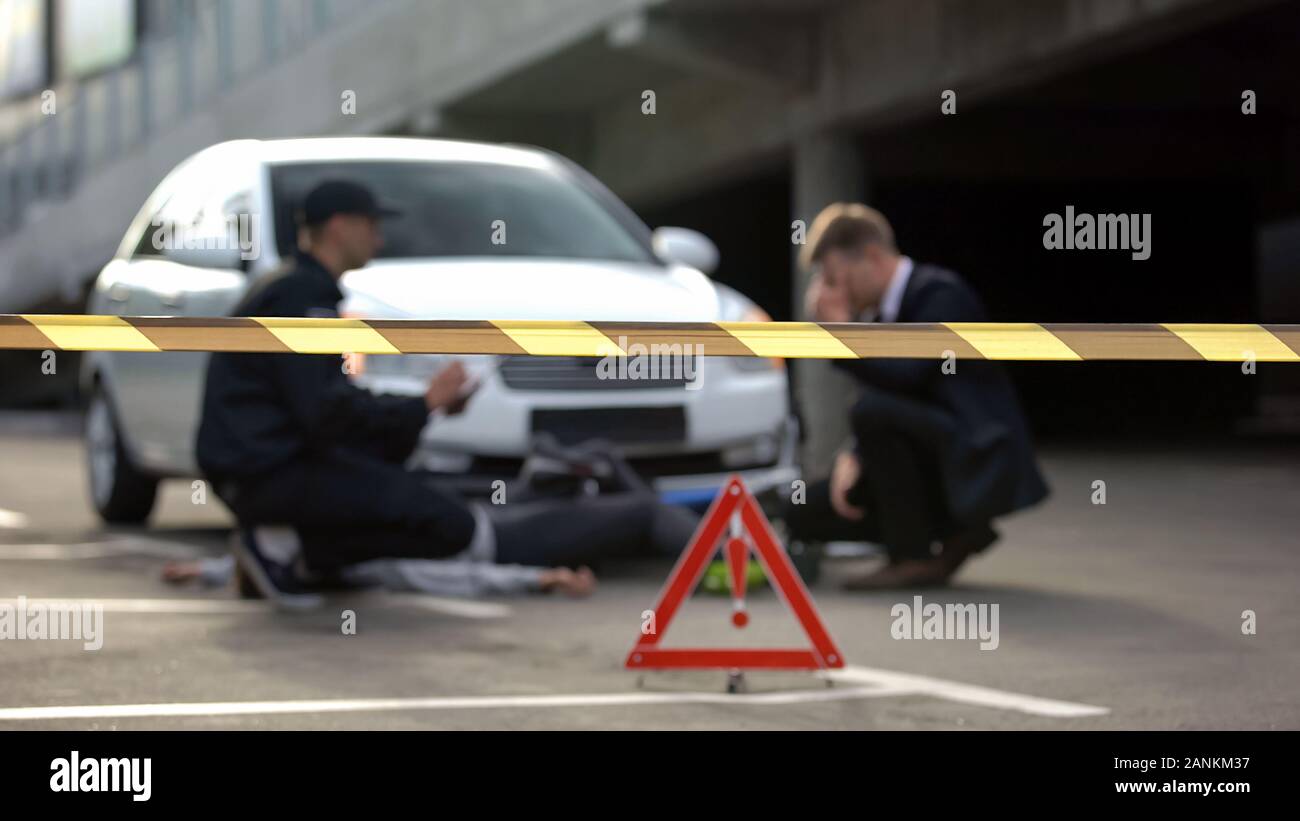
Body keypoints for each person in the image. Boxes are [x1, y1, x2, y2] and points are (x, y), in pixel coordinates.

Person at [195, 180, 695, 607]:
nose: (380, 236)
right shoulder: (301, 297)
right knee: (442, 519)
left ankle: (289, 546)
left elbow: (326, 416)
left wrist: (421, 412)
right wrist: (423, 404)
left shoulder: (291, 290)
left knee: (417, 495)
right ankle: (288, 548)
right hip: (269, 475)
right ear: (339, 226)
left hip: (264, 473)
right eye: (372, 223)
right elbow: (325, 415)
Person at [788, 203, 1048, 589]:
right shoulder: (878, 319)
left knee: (871, 412)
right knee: (803, 509)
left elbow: (907, 377)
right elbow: (889, 397)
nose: (834, 291)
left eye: (836, 278)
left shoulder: (941, 294)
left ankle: (913, 555)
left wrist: (841, 335)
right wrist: (854, 453)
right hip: (927, 459)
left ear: (872, 257)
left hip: (971, 459)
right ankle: (958, 532)